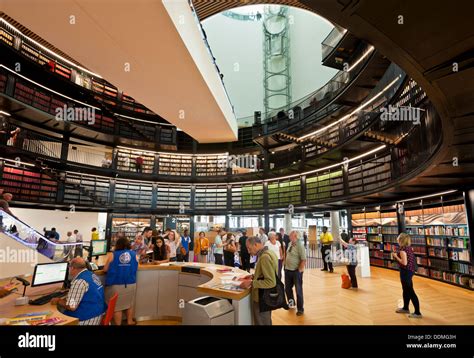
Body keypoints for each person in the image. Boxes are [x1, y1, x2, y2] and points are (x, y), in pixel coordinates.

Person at [51, 257, 106, 325]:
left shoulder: (79, 282)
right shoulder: (90, 274)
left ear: (72, 268)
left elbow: (72, 306)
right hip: (97, 313)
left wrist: (58, 300)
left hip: (87, 319)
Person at [238, 236, 278, 325]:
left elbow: (271, 281)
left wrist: (251, 283)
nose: (248, 251)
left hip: (262, 297)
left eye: (249, 248)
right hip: (266, 296)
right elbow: (265, 274)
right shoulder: (269, 253)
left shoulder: (264, 257)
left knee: (262, 322)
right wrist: (253, 276)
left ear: (255, 245)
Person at [103, 237, 138, 325]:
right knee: (129, 304)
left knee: (117, 307)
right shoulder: (134, 254)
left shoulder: (113, 255)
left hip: (116, 284)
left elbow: (105, 269)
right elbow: (136, 267)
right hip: (131, 283)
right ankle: (130, 321)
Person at [393, 233, 422, 318]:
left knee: (410, 291)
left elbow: (404, 263)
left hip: (406, 272)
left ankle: (417, 313)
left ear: (401, 240)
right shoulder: (408, 248)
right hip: (409, 271)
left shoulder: (402, 250)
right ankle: (405, 308)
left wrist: (395, 256)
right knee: (406, 290)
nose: (397, 240)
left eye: (398, 239)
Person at [284, 230, 307, 316]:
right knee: (287, 289)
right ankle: (291, 304)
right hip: (288, 270)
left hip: (296, 271)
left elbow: (303, 259)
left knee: (298, 291)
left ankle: (300, 309)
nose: (289, 236)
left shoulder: (300, 245)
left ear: (295, 236)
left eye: (290, 235)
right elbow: (288, 254)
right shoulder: (290, 243)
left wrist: (299, 270)